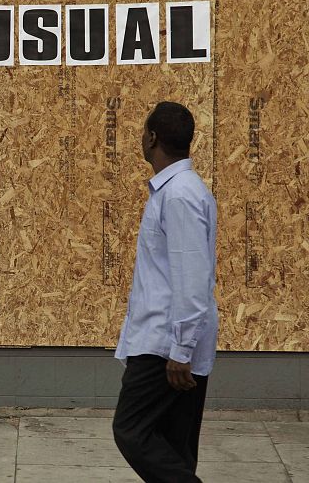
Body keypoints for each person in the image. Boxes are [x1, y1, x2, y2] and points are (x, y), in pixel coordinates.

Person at [112, 102, 218, 482]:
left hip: (165, 347)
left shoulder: (179, 196)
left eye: (144, 131)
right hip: (173, 343)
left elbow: (192, 277)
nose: (141, 138)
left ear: (152, 137)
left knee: (131, 430)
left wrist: (181, 350)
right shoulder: (177, 191)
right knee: (174, 446)